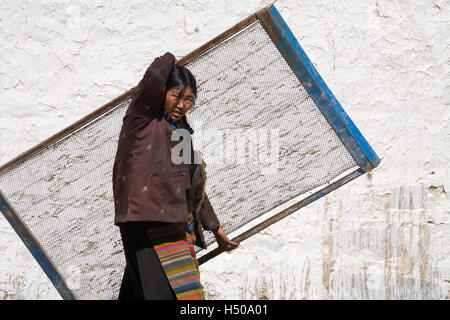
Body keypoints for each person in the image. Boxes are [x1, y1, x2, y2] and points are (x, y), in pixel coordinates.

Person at [112, 52, 239, 300]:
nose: (182, 104)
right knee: (171, 295)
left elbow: (192, 186)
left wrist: (215, 227)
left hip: (177, 223)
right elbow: (154, 77)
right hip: (147, 222)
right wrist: (172, 57)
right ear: (161, 94)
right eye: (176, 96)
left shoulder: (181, 133)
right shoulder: (142, 119)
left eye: (189, 99)